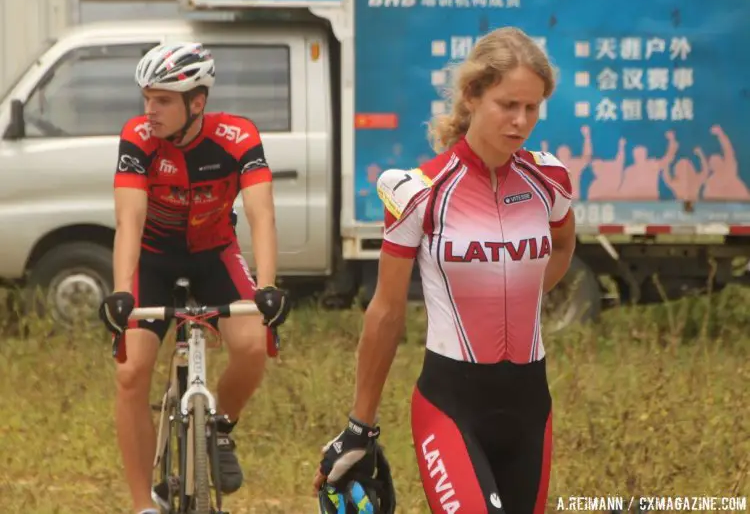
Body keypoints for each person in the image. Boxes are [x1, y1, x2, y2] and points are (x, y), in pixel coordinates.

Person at [312, 27, 576, 514]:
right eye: (507, 104)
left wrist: (517, 295)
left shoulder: (550, 178)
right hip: (451, 405)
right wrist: (359, 427)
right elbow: (387, 311)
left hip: (530, 406)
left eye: (532, 108)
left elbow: (562, 246)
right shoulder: (419, 190)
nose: (520, 121)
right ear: (473, 95)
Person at [99, 42, 291, 514]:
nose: (150, 110)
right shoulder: (138, 138)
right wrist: (123, 290)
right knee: (132, 371)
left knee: (251, 345)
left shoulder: (238, 136)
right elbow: (130, 220)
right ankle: (145, 503)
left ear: (196, 102)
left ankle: (221, 427)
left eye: (162, 100)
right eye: (146, 97)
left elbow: (261, 214)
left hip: (214, 252)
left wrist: (268, 285)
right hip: (153, 258)